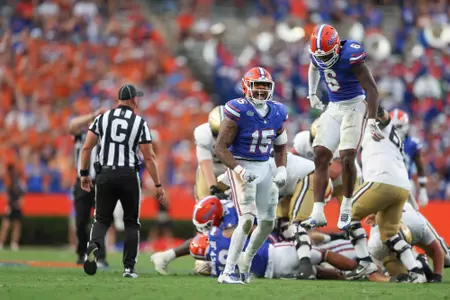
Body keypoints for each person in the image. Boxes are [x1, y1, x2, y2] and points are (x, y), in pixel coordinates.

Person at [80, 84, 167, 278]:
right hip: (128, 174)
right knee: (131, 223)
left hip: (104, 174)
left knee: (101, 219)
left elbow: (86, 148)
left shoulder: (102, 119)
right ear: (133, 100)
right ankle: (128, 268)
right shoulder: (139, 122)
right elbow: (149, 156)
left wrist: (84, 173)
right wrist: (158, 185)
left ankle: (93, 245)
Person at [301, 24, 383, 230]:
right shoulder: (318, 54)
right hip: (335, 106)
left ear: (337, 47)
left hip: (355, 105)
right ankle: (318, 211)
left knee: (347, 156)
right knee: (320, 153)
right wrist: (312, 92)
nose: (323, 59)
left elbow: (372, 91)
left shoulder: (351, 55)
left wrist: (372, 121)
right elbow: (313, 65)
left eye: (327, 54)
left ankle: (347, 205)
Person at [214, 67, 288, 284]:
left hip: (265, 165)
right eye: (257, 86)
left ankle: (246, 259)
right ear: (247, 87)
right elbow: (220, 148)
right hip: (241, 164)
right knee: (246, 219)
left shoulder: (277, 111)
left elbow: (281, 147)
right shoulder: (238, 109)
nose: (261, 91)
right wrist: (238, 170)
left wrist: (281, 168)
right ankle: (227, 272)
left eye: (265, 86)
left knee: (267, 222)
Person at [343, 106, 426, 283]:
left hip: (382, 181)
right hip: (401, 187)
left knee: (347, 212)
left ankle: (365, 262)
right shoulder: (393, 138)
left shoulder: (382, 125)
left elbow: (382, 113)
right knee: (389, 233)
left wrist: (372, 106)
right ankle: (416, 272)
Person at [68, 108, 108, 265]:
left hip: (100, 182)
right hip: (82, 182)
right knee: (80, 221)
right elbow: (72, 125)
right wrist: (92, 115)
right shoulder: (83, 135)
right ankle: (81, 253)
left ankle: (101, 257)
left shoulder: (107, 138)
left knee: (101, 221)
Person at [367, 202, 445, 283]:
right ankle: (419, 264)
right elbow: (436, 248)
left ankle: (417, 266)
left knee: (396, 272)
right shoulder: (412, 216)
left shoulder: (374, 243)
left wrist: (393, 279)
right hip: (414, 221)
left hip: (393, 231)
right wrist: (437, 277)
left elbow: (373, 275)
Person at [390, 109, 429, 206]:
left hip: (407, 183)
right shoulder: (384, 142)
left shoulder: (412, 144)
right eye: (392, 126)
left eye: (398, 126)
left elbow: (420, 167)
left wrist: (423, 190)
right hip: (388, 182)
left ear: (406, 126)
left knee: (407, 213)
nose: (395, 130)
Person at [193, 106, 227, 200]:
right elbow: (206, 165)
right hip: (212, 167)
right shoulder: (203, 134)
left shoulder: (241, 134)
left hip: (232, 168)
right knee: (205, 201)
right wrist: (213, 188)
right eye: (217, 133)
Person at [0, 163, 26, 251]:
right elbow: (5, 194)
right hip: (10, 206)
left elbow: (22, 196)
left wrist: (19, 203)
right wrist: (8, 204)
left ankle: (14, 243)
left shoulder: (19, 183)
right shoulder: (8, 181)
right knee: (6, 225)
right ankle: (1, 243)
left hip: (16, 206)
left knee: (17, 226)